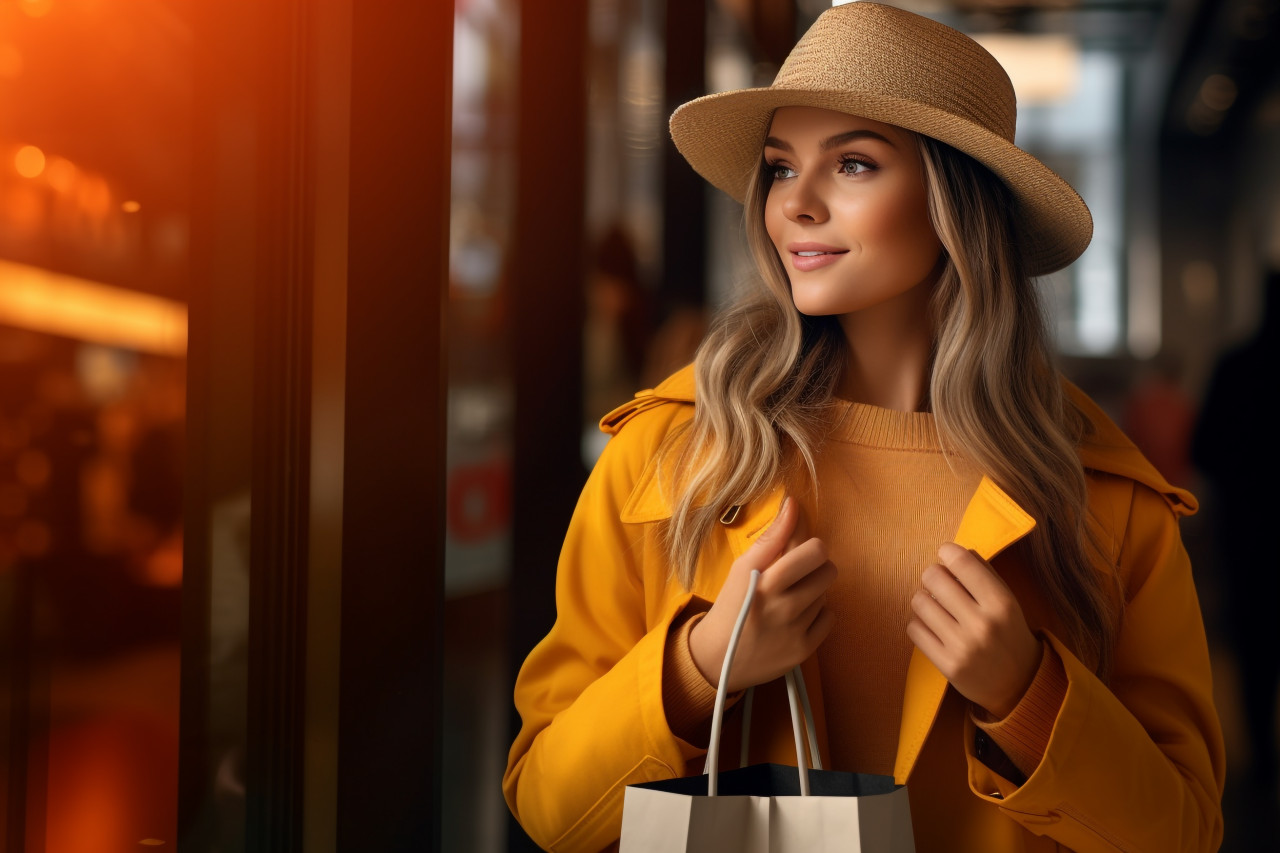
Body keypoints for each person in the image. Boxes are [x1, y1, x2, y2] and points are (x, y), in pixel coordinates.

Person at [503, 4, 1224, 852]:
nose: (796, 204)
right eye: (778, 168)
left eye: (851, 163)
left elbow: (1186, 832)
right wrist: (697, 666)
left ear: (955, 201)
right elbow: (547, 804)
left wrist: (1030, 696)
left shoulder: (1104, 500)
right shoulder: (672, 456)